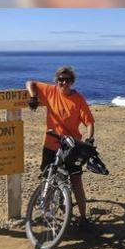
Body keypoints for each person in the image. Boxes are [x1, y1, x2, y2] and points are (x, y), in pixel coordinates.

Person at [26, 66, 95, 227]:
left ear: (72, 82)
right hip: (51, 143)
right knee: (47, 177)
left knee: (76, 180)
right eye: (60, 80)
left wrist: (89, 139)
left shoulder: (78, 99)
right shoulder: (51, 91)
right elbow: (30, 82)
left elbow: (89, 122)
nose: (63, 83)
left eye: (67, 80)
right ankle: (47, 211)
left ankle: (84, 218)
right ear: (56, 81)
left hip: (72, 146)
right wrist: (33, 97)